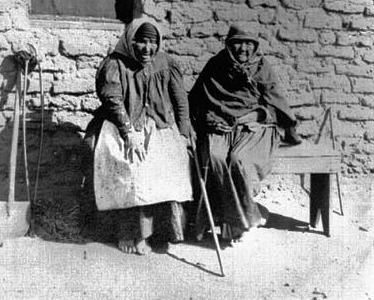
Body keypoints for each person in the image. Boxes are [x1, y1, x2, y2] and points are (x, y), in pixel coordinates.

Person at [83, 17, 193, 255]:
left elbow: (181, 103)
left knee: (166, 167)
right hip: (121, 124)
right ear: (130, 41)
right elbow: (113, 100)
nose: (147, 48)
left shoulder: (167, 64)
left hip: (160, 126)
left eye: (152, 43)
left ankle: (158, 233)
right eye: (140, 41)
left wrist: (184, 134)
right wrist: (129, 132)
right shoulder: (115, 63)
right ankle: (129, 233)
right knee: (132, 168)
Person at [189, 22, 301, 244]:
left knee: (239, 160)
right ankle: (241, 216)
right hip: (220, 125)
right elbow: (196, 101)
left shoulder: (262, 68)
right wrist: (207, 119)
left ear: (255, 45)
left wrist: (263, 119)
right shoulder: (216, 65)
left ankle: (237, 223)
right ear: (229, 45)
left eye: (248, 43)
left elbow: (275, 105)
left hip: (254, 128)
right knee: (215, 159)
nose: (243, 49)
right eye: (237, 43)